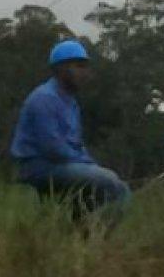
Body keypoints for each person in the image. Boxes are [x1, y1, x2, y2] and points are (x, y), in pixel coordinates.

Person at [10, 40, 131, 226]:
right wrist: (89, 165)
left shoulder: (70, 101)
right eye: (79, 67)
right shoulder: (44, 98)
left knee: (122, 189)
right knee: (110, 183)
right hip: (40, 167)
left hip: (62, 164)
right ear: (61, 69)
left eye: (86, 68)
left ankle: (82, 234)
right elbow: (52, 148)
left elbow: (76, 143)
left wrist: (91, 164)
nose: (85, 73)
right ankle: (93, 235)